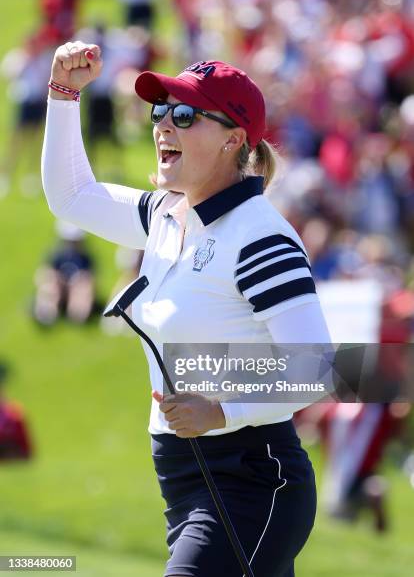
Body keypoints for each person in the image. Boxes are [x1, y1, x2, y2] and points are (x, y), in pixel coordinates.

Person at [42, 43, 333, 577]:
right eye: (160, 111)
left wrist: (223, 411)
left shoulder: (260, 236)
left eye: (184, 115)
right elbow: (71, 195)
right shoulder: (167, 215)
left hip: (252, 478)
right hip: (182, 477)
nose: (163, 126)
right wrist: (64, 95)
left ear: (234, 140)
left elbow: (318, 366)